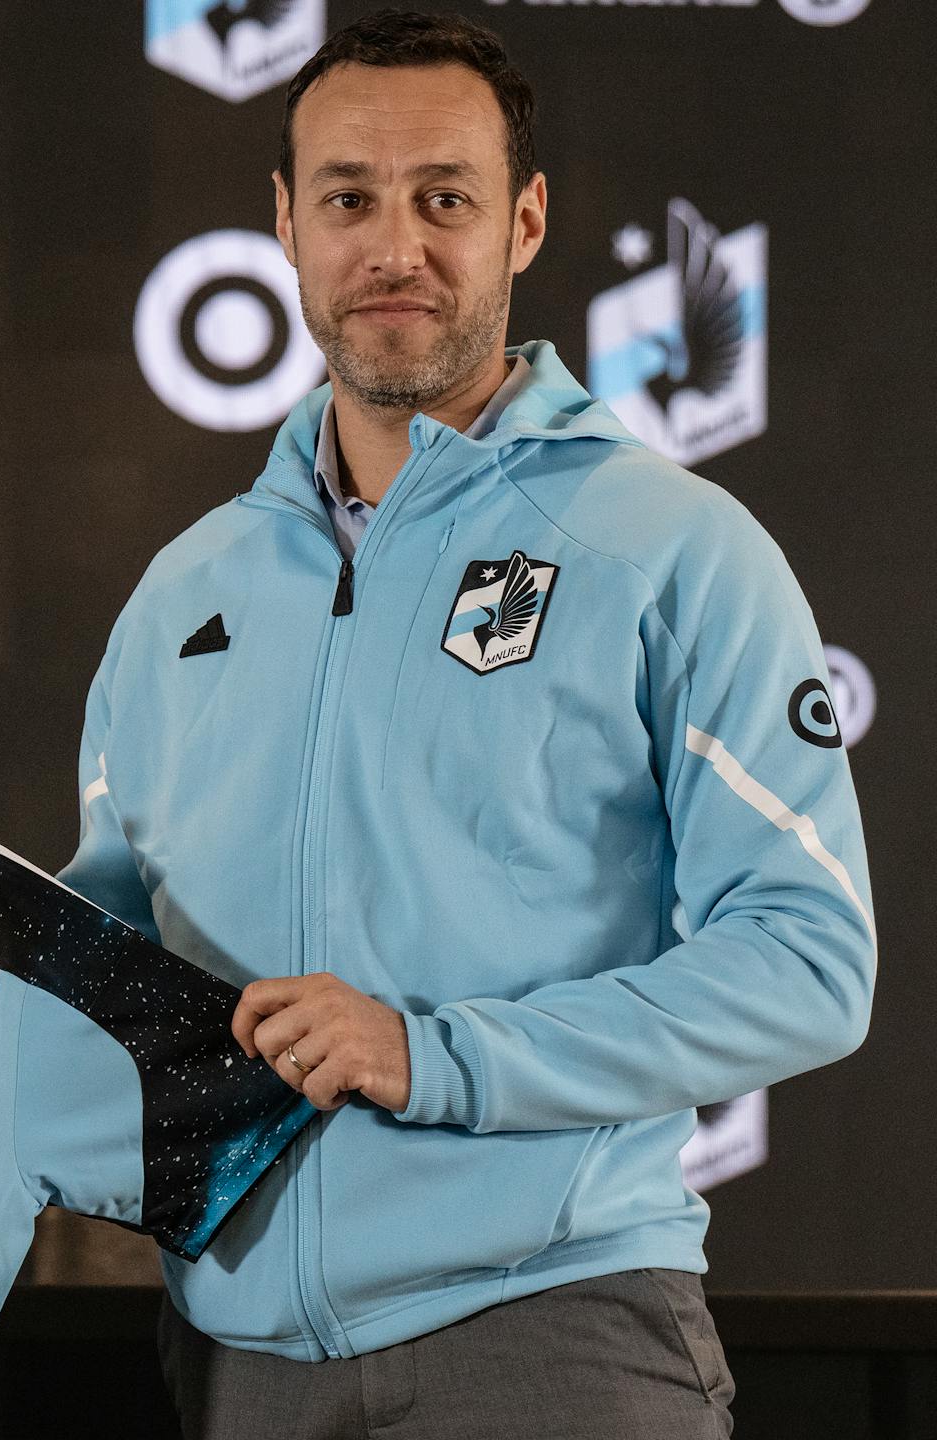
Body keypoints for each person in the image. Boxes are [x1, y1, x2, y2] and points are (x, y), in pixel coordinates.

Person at [59, 11, 874, 1438]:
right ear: (287, 224)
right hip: (233, 1362)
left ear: (525, 222)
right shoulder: (186, 592)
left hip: (554, 1330)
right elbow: (109, 979)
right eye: (349, 200)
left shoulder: (670, 550)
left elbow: (808, 963)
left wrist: (432, 1053)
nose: (396, 248)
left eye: (445, 198)